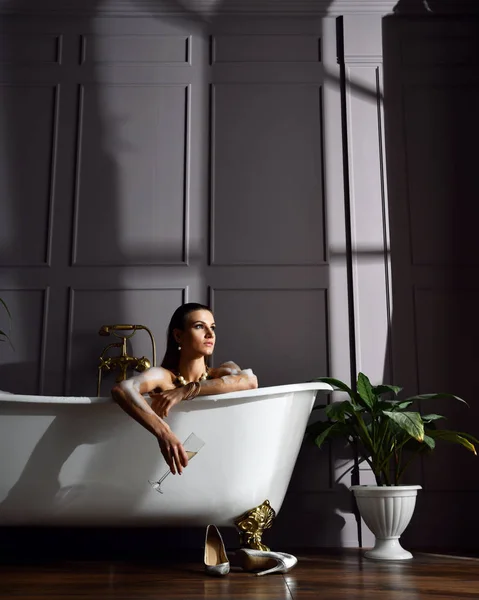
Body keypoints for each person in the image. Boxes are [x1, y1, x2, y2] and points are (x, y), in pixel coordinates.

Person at [111, 302, 258, 477]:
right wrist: (164, 433)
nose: (210, 334)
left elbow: (250, 381)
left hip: (218, 467)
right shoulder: (164, 377)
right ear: (179, 335)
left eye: (212, 327)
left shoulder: (222, 371)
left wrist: (187, 390)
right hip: (160, 471)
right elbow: (123, 389)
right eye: (199, 327)